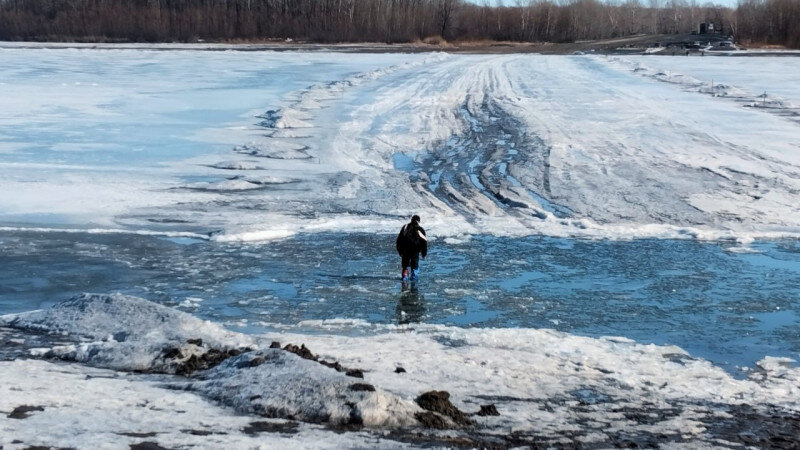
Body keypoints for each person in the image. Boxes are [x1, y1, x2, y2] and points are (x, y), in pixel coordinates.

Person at [396, 215, 427, 281]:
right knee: (415, 266)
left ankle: (404, 277)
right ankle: (414, 280)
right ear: (418, 221)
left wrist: (400, 251)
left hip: (405, 250)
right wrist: (424, 254)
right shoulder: (420, 229)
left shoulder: (405, 227)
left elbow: (399, 240)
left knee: (405, 265)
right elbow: (424, 242)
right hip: (415, 250)